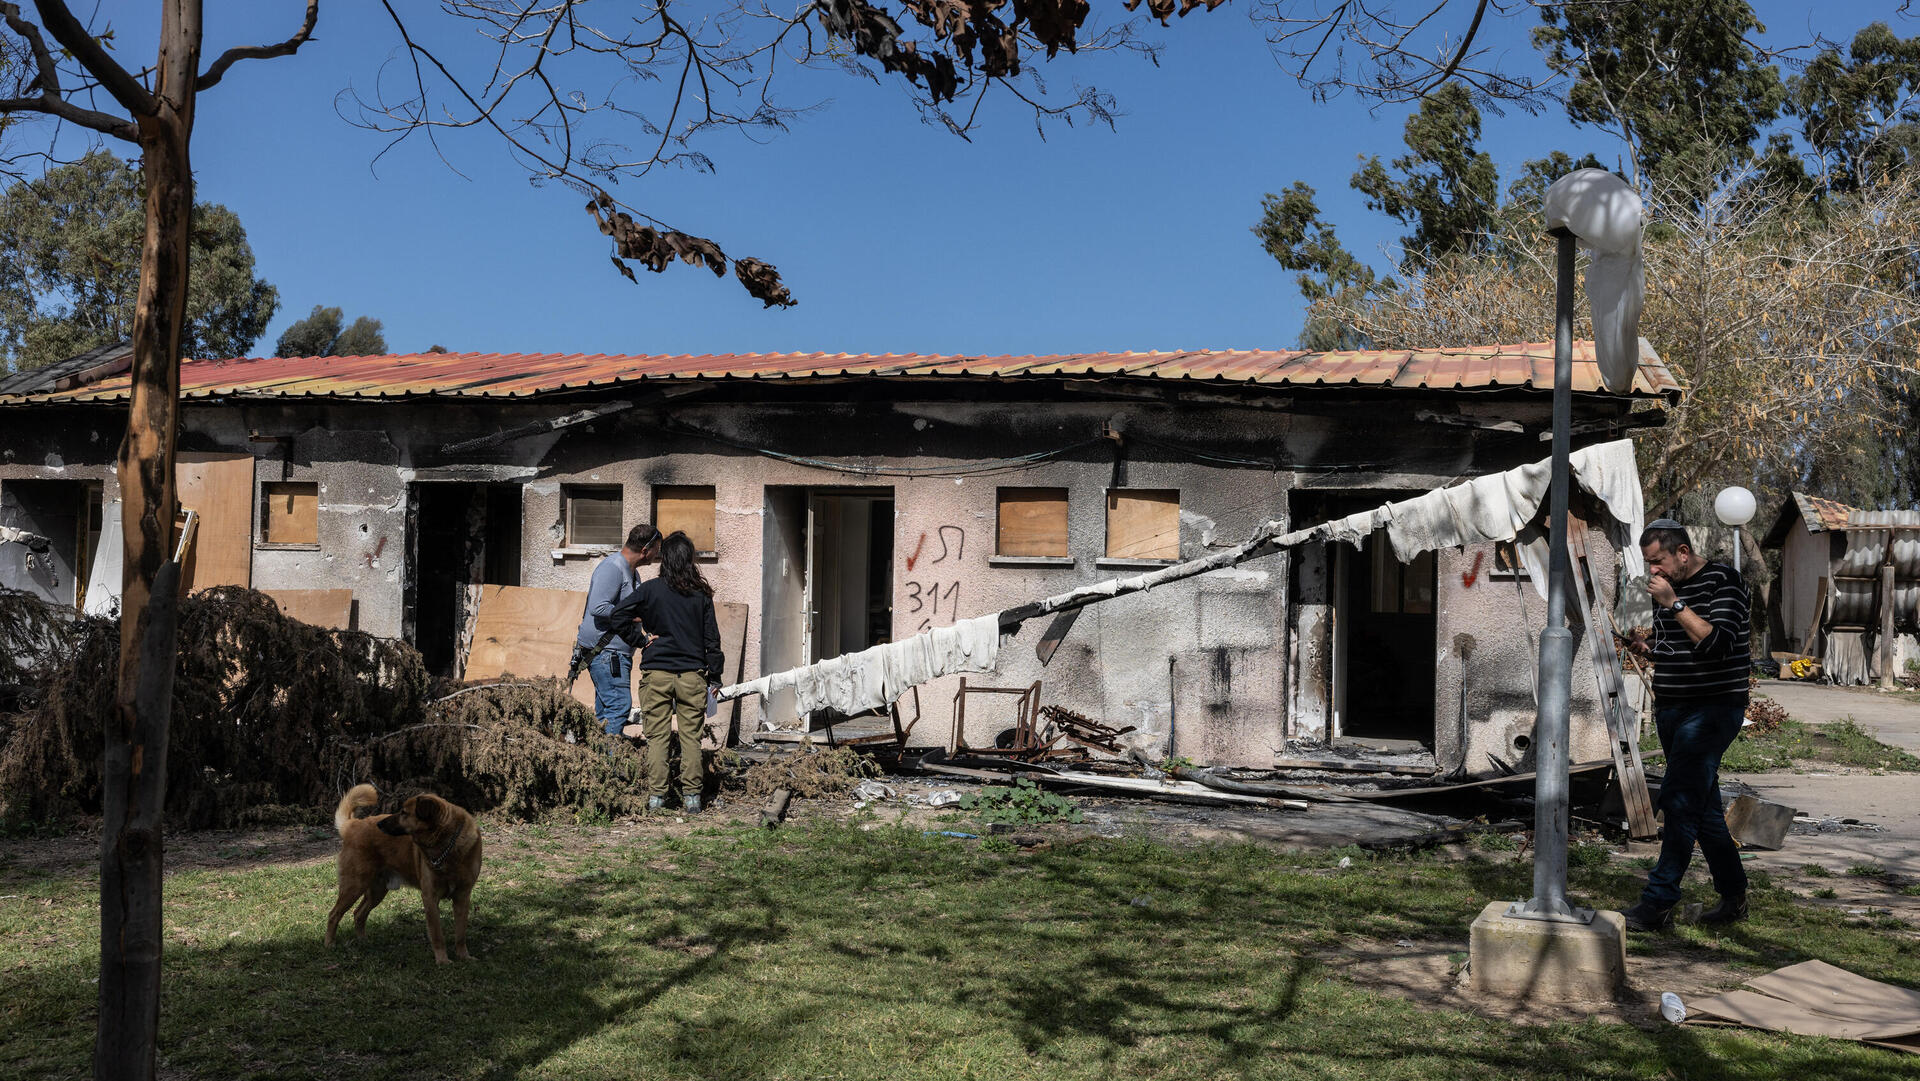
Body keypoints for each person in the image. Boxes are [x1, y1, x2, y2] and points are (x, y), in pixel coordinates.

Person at [1622, 519, 1751, 932]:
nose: (1653, 571)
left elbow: (1716, 645)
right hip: (1673, 707)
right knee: (1704, 810)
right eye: (1648, 564)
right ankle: (1734, 897)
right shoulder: (1666, 591)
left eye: (1658, 561)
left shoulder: (1723, 581)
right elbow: (1681, 649)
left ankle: (1658, 901)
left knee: (1678, 800)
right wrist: (1647, 648)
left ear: (1682, 552)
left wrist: (1675, 604)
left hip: (1713, 709)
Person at [634, 531, 725, 813]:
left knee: (657, 737)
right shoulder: (700, 594)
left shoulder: (649, 590)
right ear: (689, 560)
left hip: (656, 673)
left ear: (664, 558)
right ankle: (692, 799)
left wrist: (640, 638)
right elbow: (712, 639)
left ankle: (657, 799)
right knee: (690, 738)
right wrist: (716, 676)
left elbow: (617, 615)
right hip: (691, 676)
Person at [575, 523, 660, 737]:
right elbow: (598, 606)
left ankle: (598, 762)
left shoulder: (632, 573)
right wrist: (636, 616)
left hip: (614, 653)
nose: (657, 555)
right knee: (618, 707)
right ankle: (609, 765)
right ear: (645, 550)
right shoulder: (612, 568)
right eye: (657, 550)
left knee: (605, 711)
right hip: (606, 653)